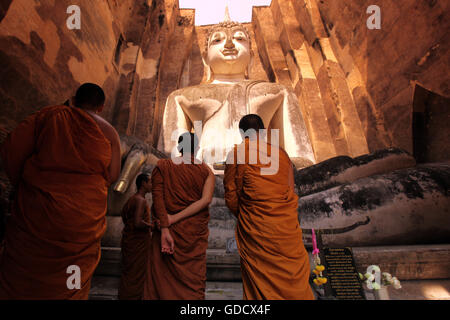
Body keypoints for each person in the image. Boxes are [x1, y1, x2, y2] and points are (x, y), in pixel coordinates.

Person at [0, 83, 121, 299]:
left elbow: (11, 151)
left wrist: (25, 187)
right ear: (101, 107)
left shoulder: (50, 116)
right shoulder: (110, 133)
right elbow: (112, 176)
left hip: (38, 213)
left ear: (73, 99)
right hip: (81, 222)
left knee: (24, 276)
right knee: (72, 277)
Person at [224, 114, 314, 300]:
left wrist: (249, 214)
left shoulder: (238, 153)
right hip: (285, 228)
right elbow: (291, 191)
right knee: (293, 281)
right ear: (263, 132)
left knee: (259, 287)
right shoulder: (281, 154)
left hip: (256, 228)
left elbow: (231, 196)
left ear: (242, 133)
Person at [143, 132, 215, 300]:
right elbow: (206, 201)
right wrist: (173, 220)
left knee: (161, 279)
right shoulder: (206, 171)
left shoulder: (163, 166)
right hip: (192, 235)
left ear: (179, 148)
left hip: (166, 230)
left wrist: (167, 226)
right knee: (192, 282)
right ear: (197, 148)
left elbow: (158, 198)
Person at [118, 173, 152, 300]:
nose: (152, 185)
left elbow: (124, 215)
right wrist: (151, 226)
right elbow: (138, 223)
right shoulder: (141, 200)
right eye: (150, 182)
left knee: (129, 273)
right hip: (138, 242)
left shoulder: (132, 198)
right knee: (136, 274)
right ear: (143, 183)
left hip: (130, 240)